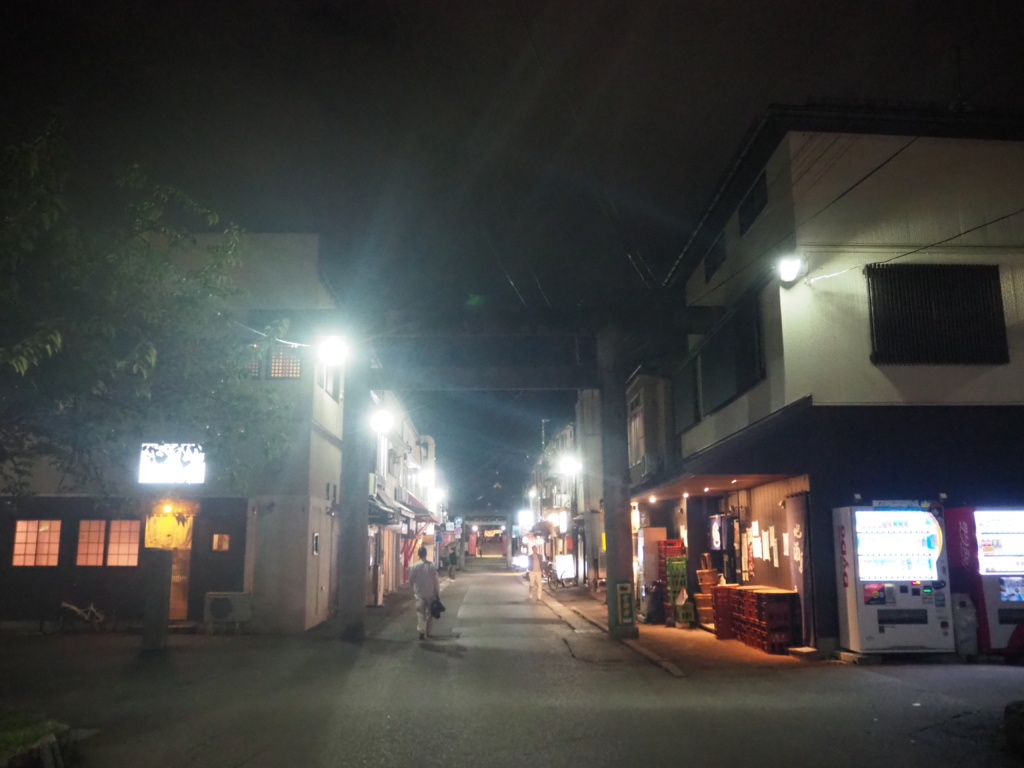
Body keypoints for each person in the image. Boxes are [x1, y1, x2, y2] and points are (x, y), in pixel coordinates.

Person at [408, 546, 440, 640]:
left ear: (418, 555)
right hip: (430, 593)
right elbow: (436, 581)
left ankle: (421, 630)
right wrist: (437, 593)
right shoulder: (432, 566)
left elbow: (410, 580)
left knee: (420, 613)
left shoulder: (414, 566)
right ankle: (428, 631)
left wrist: (413, 588)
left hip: (419, 593)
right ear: (426, 554)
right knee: (429, 613)